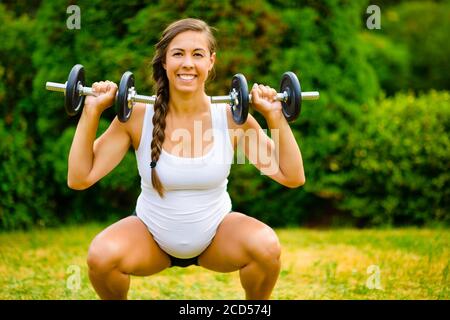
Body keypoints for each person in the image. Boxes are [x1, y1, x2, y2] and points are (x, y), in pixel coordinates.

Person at [67, 18, 305, 300]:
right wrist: (91, 111)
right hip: (150, 236)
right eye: (178, 54)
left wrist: (274, 116)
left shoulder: (232, 118)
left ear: (211, 62)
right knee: (101, 256)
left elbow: (292, 176)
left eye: (198, 54)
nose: (188, 63)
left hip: (217, 236)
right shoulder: (137, 117)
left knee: (265, 246)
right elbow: (80, 178)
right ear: (165, 62)